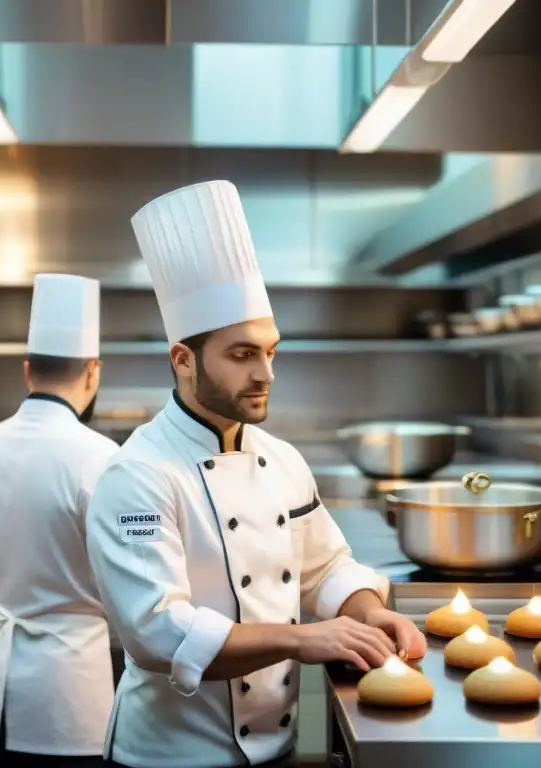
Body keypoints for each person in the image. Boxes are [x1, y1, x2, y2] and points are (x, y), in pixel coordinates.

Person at [85, 181, 428, 768]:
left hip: (278, 749)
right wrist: (302, 639)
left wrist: (371, 614)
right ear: (183, 360)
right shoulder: (138, 475)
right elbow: (158, 633)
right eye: (243, 354)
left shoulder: (283, 459)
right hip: (170, 758)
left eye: (271, 351)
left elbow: (327, 569)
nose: (266, 372)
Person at [0, 273, 119, 768]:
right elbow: (129, 584)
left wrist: (3, 612)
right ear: (93, 372)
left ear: (27, 370)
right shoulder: (102, 458)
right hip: (72, 698)